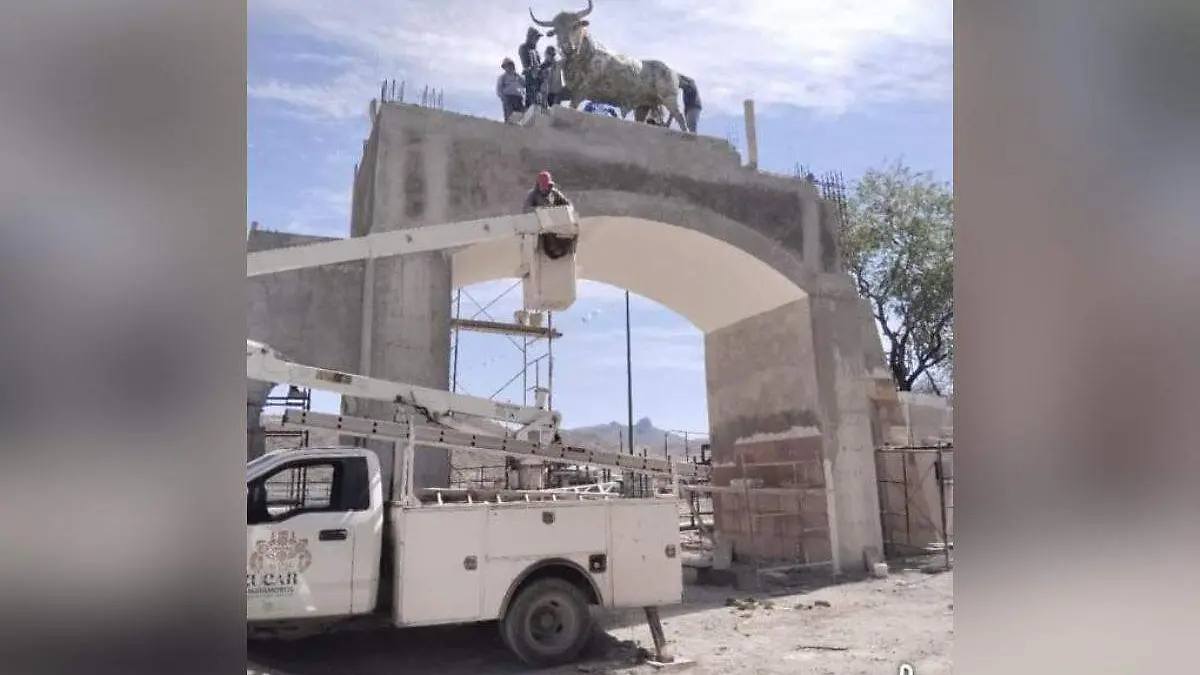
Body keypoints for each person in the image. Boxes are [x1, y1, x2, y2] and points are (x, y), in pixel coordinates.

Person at [517, 27, 543, 108]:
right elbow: (525, 62)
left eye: (538, 38)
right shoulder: (523, 47)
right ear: (530, 37)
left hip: (538, 78)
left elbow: (539, 63)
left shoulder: (536, 51)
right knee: (530, 97)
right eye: (536, 37)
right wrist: (530, 69)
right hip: (529, 76)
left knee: (539, 99)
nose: (537, 40)